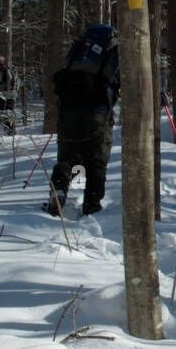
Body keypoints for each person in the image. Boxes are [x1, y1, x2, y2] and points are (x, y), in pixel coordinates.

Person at [44, 23, 119, 217]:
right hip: (97, 112)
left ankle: (58, 192)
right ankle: (92, 205)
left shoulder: (79, 49)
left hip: (68, 110)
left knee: (67, 158)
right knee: (96, 161)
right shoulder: (112, 52)